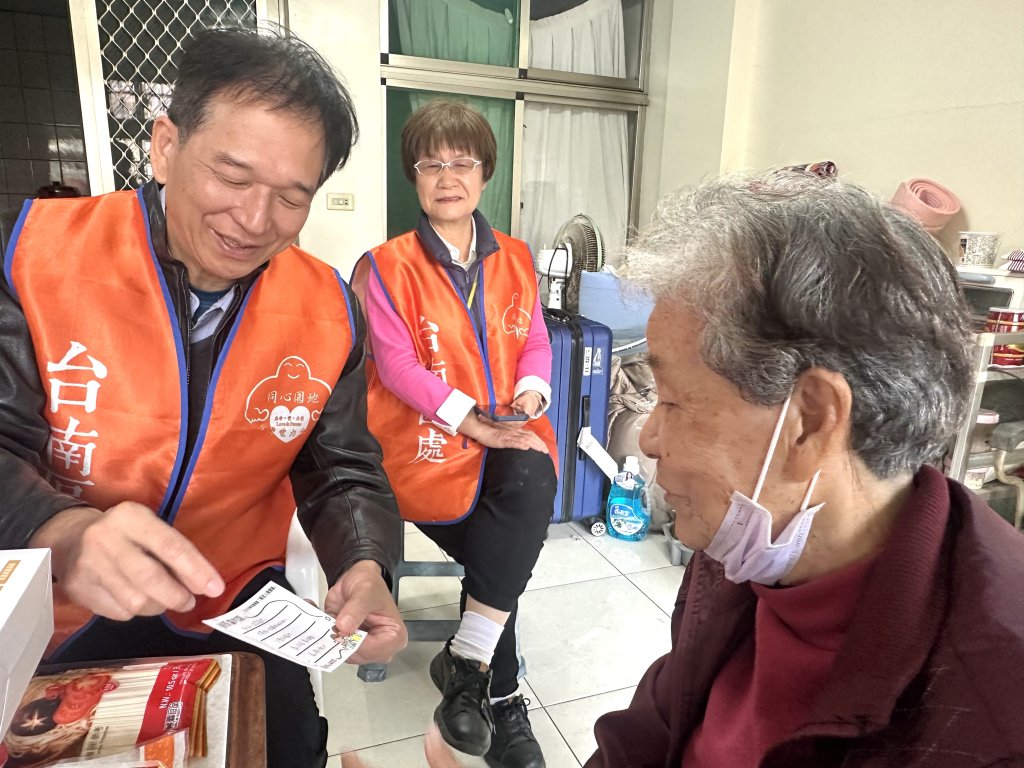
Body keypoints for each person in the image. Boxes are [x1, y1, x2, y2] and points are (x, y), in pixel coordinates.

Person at [0, 27, 406, 768]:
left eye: (291, 197)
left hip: (237, 598)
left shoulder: (326, 306)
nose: (255, 221)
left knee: (283, 749)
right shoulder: (36, 255)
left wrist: (368, 562)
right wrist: (57, 529)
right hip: (56, 606)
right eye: (232, 175)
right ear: (164, 146)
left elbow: (341, 464)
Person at [586, 171, 1024, 767]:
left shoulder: (988, 721)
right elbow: (655, 730)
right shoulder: (745, 549)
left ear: (811, 419)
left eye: (673, 400)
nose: (653, 439)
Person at [351, 100, 557, 768]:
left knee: (528, 480)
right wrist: (474, 423)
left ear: (484, 172)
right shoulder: (384, 266)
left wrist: (533, 390)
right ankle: (498, 695)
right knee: (504, 554)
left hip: (503, 440)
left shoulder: (518, 258)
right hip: (425, 453)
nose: (448, 176)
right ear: (413, 176)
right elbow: (398, 366)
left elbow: (534, 340)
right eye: (432, 163)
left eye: (462, 162)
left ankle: (470, 673)